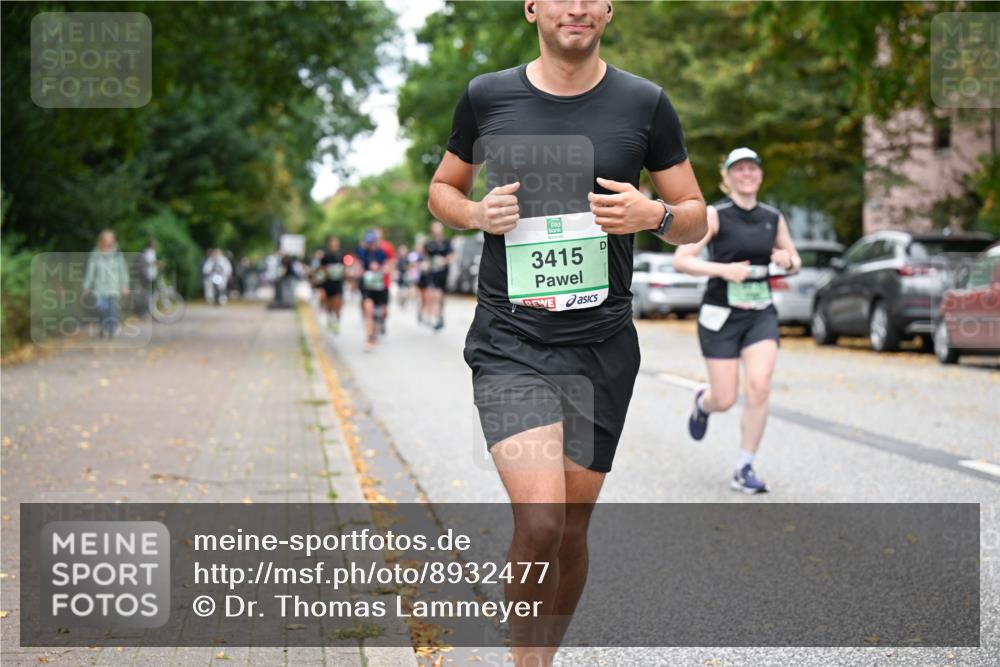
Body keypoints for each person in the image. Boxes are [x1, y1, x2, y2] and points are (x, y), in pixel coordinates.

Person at [427, 2, 706, 664]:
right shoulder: (487, 96)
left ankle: (543, 656)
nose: (576, 7)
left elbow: (695, 215)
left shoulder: (644, 103)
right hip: (510, 339)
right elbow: (442, 188)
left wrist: (654, 212)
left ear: (608, 10)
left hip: (602, 346)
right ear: (532, 9)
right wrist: (473, 211)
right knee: (541, 520)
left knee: (572, 528)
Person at [673, 147, 801, 494]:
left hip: (760, 314)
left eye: (752, 169)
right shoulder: (716, 215)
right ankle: (704, 402)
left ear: (759, 175)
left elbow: (794, 259)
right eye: (738, 169)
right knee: (725, 398)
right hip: (720, 316)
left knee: (759, 385)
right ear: (727, 178)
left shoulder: (773, 217)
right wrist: (724, 270)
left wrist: (787, 261)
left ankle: (744, 466)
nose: (746, 174)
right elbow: (682, 260)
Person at [83, 230, 130, 338]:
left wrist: (125, 285)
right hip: (99, 288)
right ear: (102, 240)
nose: (108, 243)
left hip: (114, 287)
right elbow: (90, 271)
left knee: (112, 309)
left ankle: (111, 329)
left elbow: (123, 270)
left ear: (113, 241)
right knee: (100, 308)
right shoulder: (95, 254)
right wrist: (86, 285)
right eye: (106, 240)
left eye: (110, 240)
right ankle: (103, 326)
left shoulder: (117, 254)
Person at [356, 230, 391, 351]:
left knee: (382, 312)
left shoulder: (382, 253)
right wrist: (359, 271)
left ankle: (379, 325)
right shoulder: (362, 252)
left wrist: (380, 269)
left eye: (373, 242)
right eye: (369, 243)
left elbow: (388, 266)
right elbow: (358, 266)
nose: (371, 245)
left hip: (380, 287)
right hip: (367, 287)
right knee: (368, 309)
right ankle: (370, 337)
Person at [423, 221, 455, 331]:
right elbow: (425, 257)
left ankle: (440, 316)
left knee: (440, 296)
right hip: (432, 274)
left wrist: (444, 261)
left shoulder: (447, 243)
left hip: (443, 274)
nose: (436, 233)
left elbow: (452, 256)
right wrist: (426, 264)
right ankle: (435, 318)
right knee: (435, 294)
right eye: (434, 230)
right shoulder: (429, 244)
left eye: (438, 230)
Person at [316, 236, 346, 332]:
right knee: (328, 304)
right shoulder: (325, 257)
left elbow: (345, 269)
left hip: (338, 283)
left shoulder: (341, 256)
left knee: (338, 303)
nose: (334, 246)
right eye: (332, 245)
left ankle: (336, 321)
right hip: (327, 283)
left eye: (335, 245)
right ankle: (330, 319)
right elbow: (320, 270)